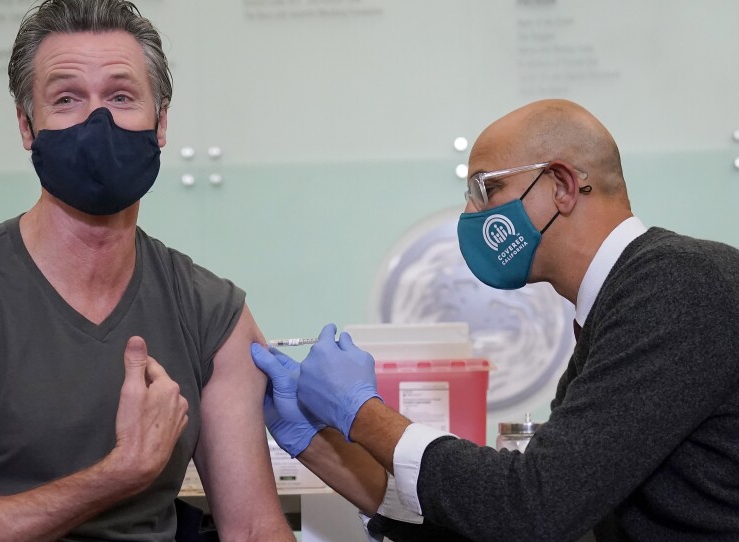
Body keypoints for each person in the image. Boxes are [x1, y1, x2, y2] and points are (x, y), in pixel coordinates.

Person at [0, 1, 295, 540]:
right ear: (27, 126)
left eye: (121, 97)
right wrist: (119, 473)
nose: (98, 122)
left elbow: (253, 529)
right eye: (66, 99)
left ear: (161, 122)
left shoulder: (211, 312)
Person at [252, 99, 739, 541]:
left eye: (487, 188)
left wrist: (362, 412)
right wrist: (318, 444)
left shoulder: (679, 284)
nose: (470, 213)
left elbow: (534, 508)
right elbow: (522, 523)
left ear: (561, 186)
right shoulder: (615, 314)